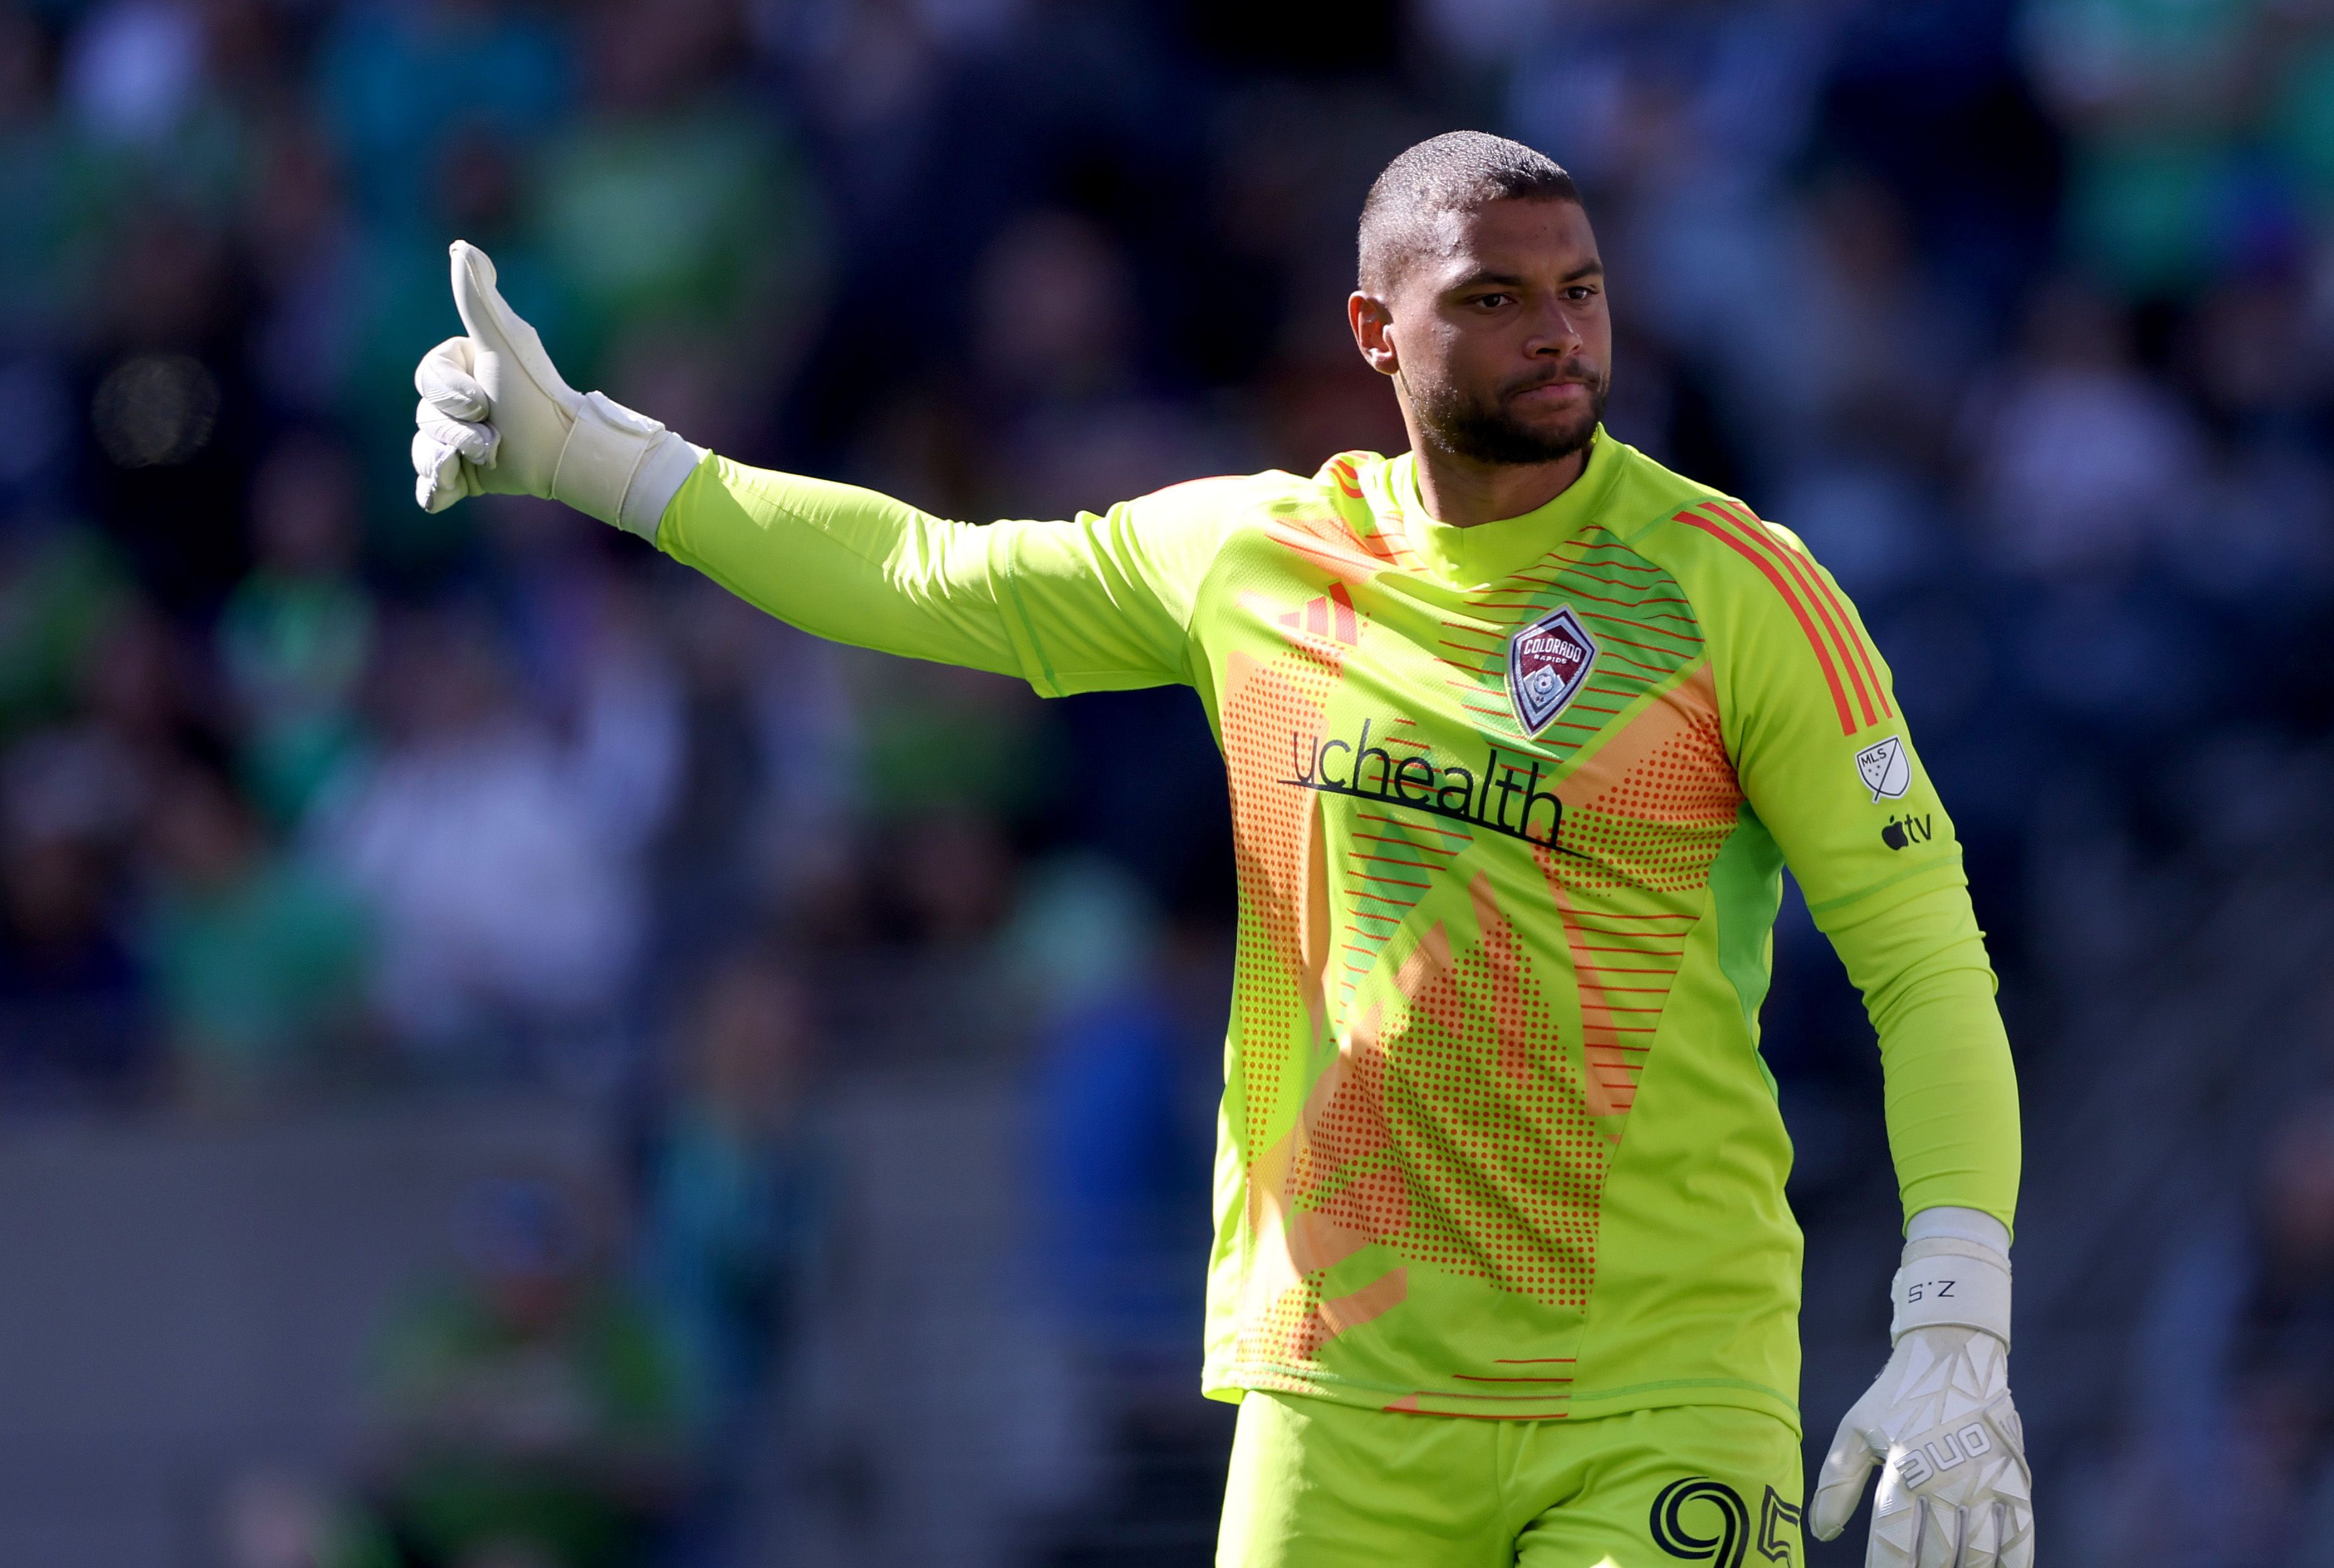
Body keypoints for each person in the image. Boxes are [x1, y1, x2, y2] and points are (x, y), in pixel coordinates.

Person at [410, 130, 2029, 1567]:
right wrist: (602, 462)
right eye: (1495, 296)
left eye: (1585, 289)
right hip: (1340, 1394)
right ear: (1374, 334)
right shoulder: (1251, 560)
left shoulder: (1737, 586)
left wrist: (1956, 1309)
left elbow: (1922, 951)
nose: (1558, 331)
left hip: (1657, 1386)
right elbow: (922, 575)